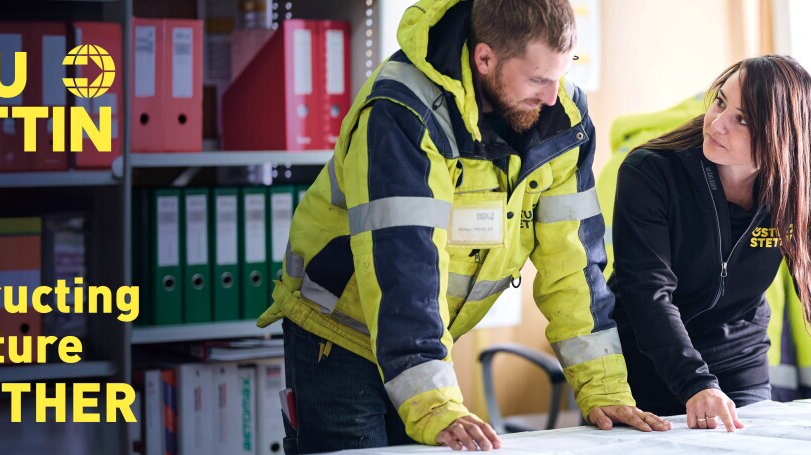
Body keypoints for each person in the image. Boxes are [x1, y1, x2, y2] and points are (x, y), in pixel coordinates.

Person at [256, 0, 670, 452]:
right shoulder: (403, 111)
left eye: (562, 71)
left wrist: (603, 391)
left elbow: (574, 266)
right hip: (340, 337)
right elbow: (404, 267)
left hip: (422, 339)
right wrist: (435, 405)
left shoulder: (562, 119)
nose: (553, 95)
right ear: (484, 58)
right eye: (537, 79)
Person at [608, 55, 811, 432]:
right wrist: (696, 384)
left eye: (743, 120)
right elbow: (647, 291)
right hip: (646, 359)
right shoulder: (651, 171)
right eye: (721, 102)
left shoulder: (802, 188)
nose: (717, 125)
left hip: (739, 359)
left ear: (781, 134)